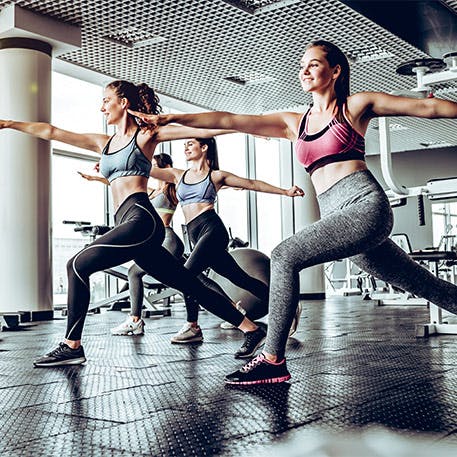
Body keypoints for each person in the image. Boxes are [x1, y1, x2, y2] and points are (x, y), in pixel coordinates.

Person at [128, 40, 457, 385]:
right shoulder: (293, 122)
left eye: (314, 64)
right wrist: (171, 118)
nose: (305, 70)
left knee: (284, 255)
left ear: (335, 71)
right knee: (423, 284)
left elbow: (426, 109)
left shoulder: (355, 106)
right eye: (303, 65)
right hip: (336, 216)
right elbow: (229, 119)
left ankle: (273, 358)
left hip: (364, 205)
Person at [0, 79, 273, 367]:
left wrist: (254, 127)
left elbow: (207, 128)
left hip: (141, 218)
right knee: (187, 282)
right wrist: (8, 123)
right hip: (128, 220)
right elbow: (53, 131)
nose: (102, 106)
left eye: (107, 100)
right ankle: (252, 329)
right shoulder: (102, 143)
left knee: (77, 265)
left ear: (123, 103)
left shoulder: (145, 137)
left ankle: (72, 345)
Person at [148, 137, 304, 349]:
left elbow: (251, 183)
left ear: (204, 148)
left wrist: (285, 191)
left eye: (191, 143)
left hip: (212, 229)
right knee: (241, 279)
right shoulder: (177, 175)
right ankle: (289, 305)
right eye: (185, 144)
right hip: (194, 232)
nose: (185, 147)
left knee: (185, 275)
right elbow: (143, 168)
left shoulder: (216, 176)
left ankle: (192, 326)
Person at [79, 153, 185, 336]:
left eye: (154, 165)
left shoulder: (172, 189)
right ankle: (135, 320)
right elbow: (124, 186)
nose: (151, 169)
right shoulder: (152, 192)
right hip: (154, 240)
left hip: (168, 240)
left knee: (135, 272)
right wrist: (98, 178)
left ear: (165, 166)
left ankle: (135, 320)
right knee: (188, 279)